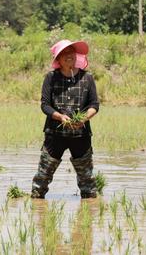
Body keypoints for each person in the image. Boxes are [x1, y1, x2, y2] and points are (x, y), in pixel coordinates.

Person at [31, 39, 100, 199]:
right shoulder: (51, 78)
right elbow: (45, 105)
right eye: (65, 53)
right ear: (58, 59)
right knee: (42, 177)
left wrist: (83, 118)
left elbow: (94, 104)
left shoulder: (87, 78)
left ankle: (89, 212)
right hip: (55, 134)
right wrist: (60, 117)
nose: (69, 56)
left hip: (80, 134)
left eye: (71, 53)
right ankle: (37, 208)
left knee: (87, 181)